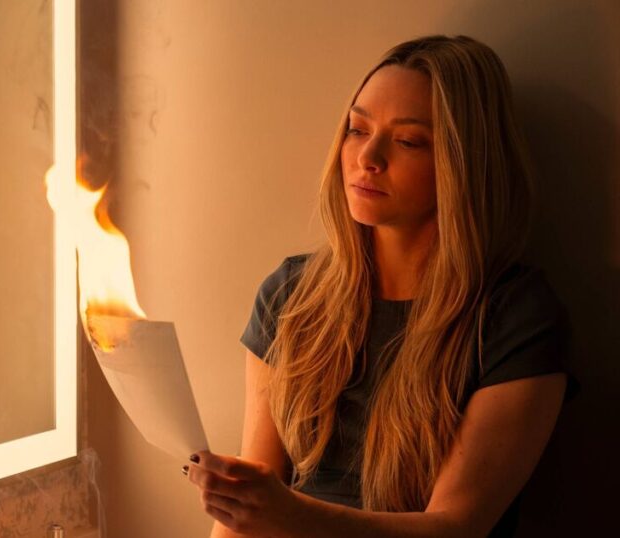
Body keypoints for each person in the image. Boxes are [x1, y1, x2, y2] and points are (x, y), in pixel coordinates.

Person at [185, 35, 575, 537]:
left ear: (464, 162)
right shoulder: (290, 296)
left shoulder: (514, 318)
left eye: (408, 141)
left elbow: (457, 527)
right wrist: (239, 504)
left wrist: (287, 514)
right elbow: (245, 515)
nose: (367, 156)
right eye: (357, 129)